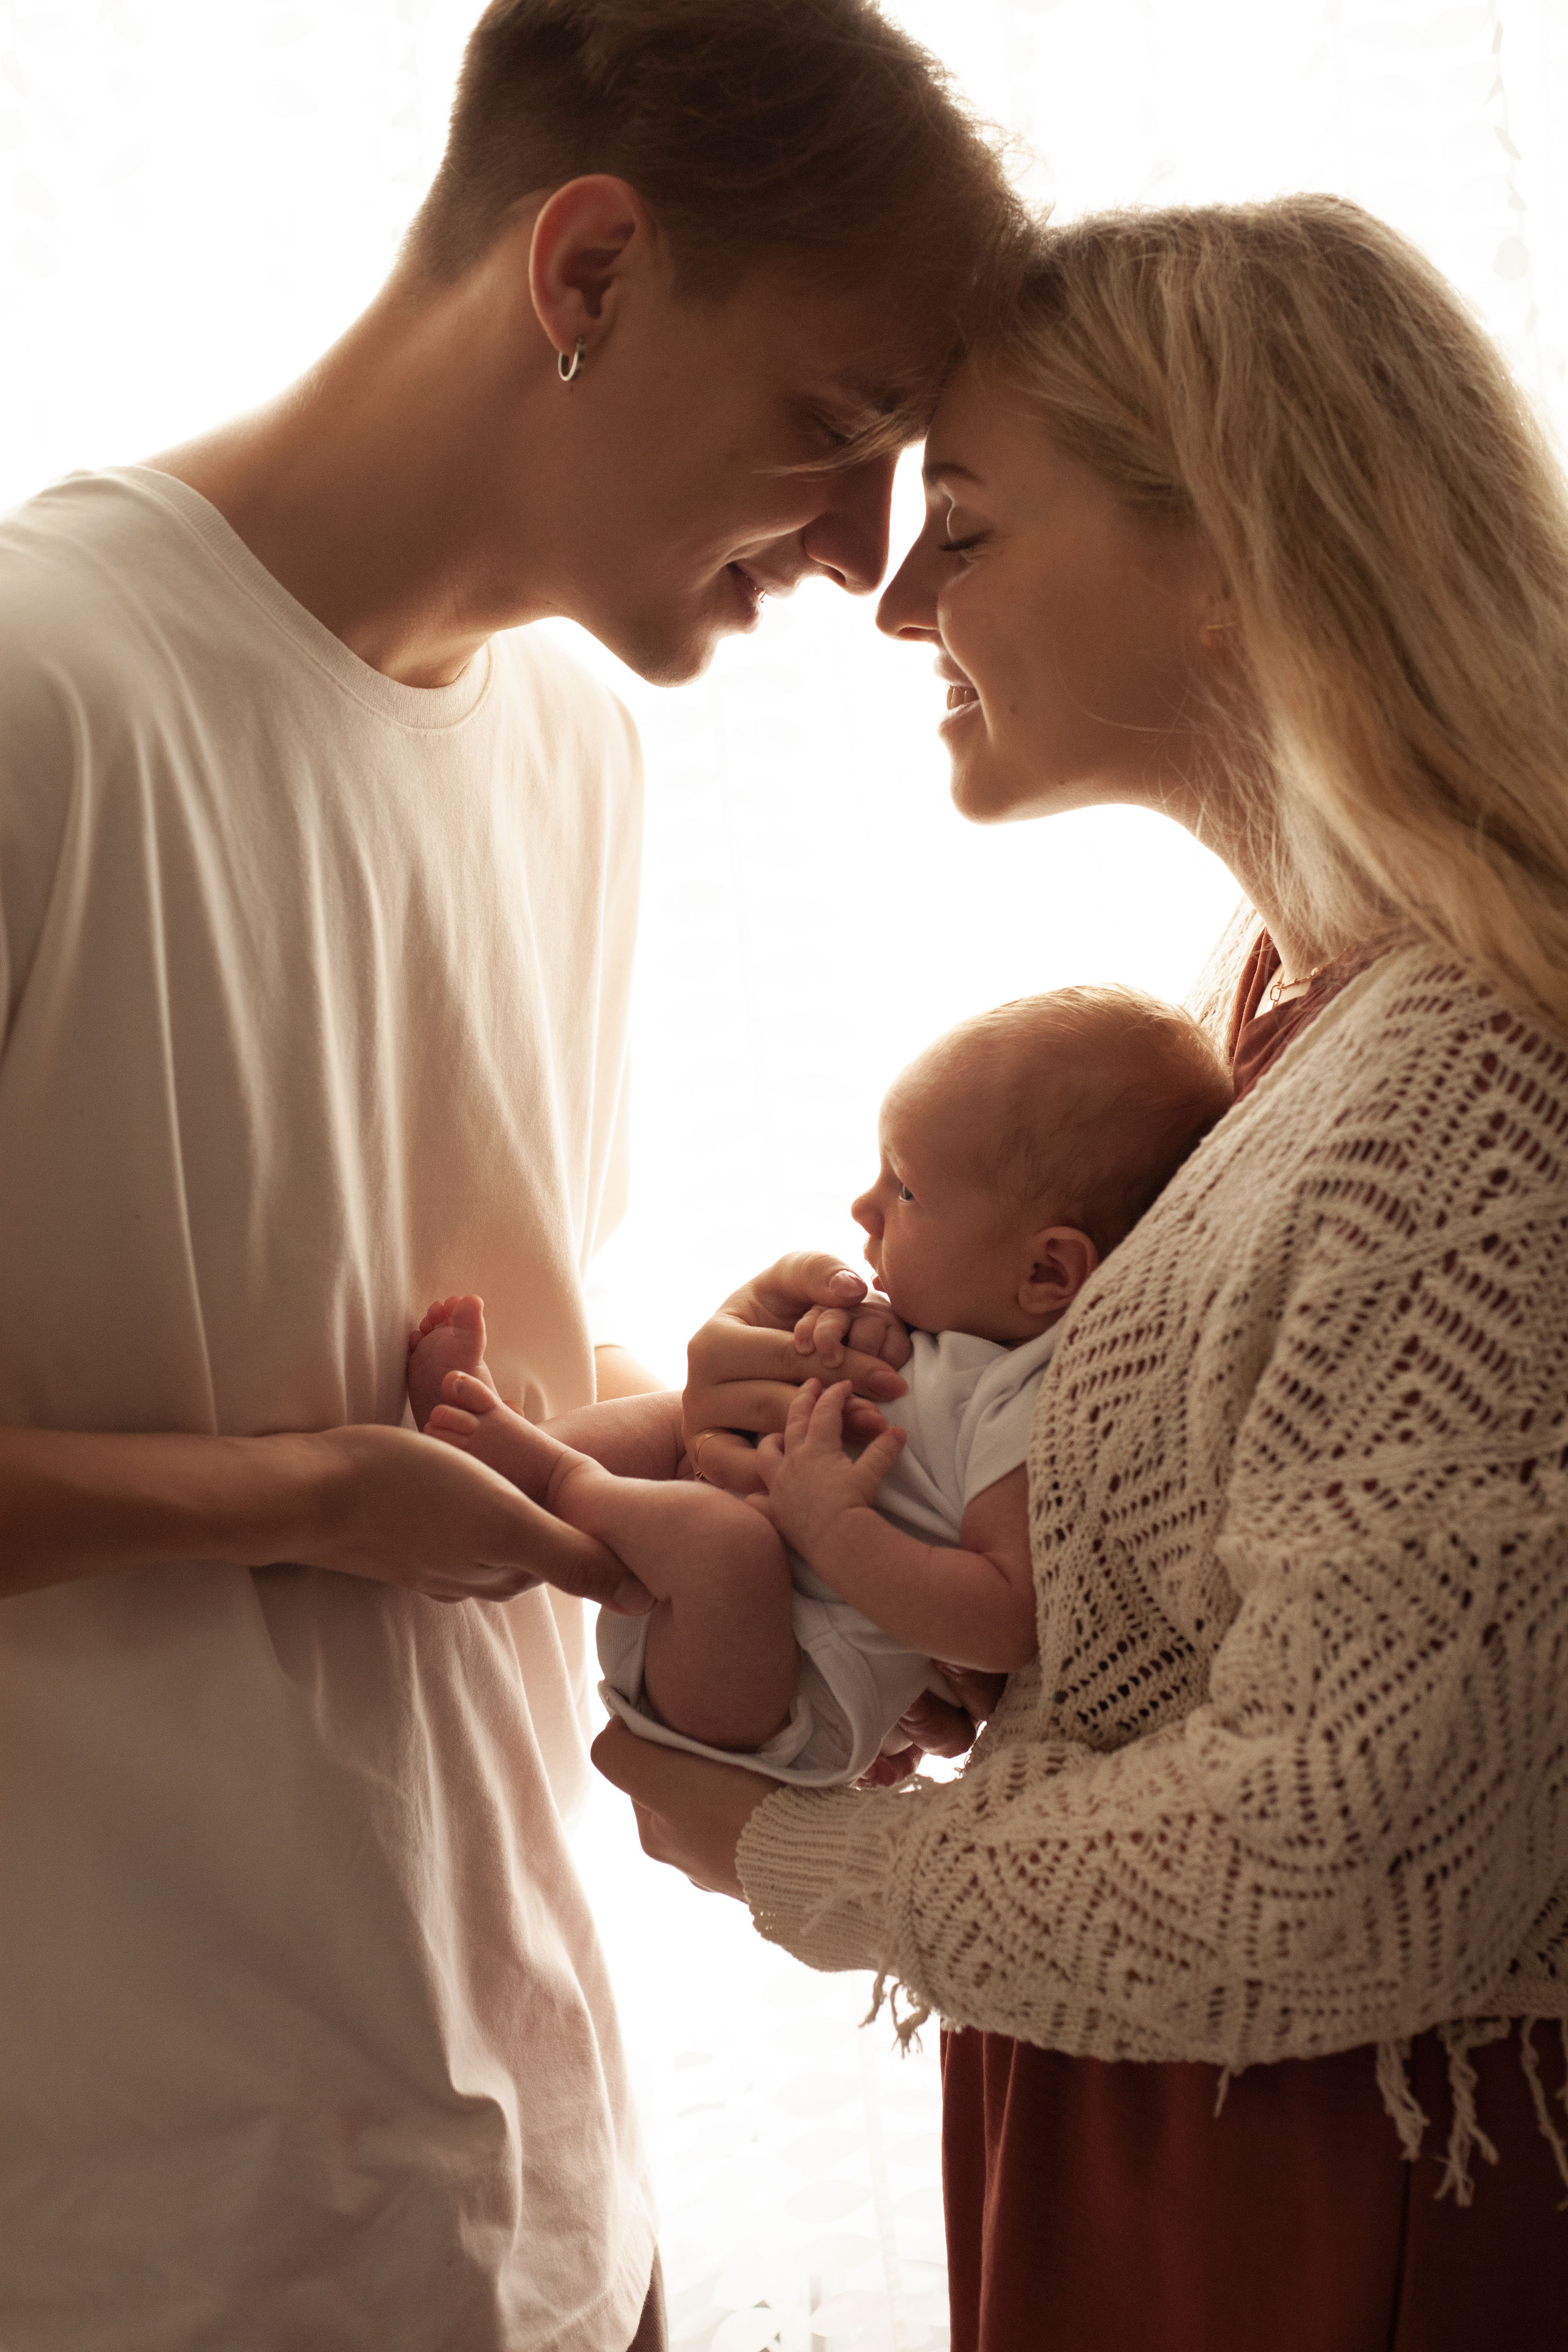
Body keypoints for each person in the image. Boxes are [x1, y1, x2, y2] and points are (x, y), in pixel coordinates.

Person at [0, 4, 1024, 2345]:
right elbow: (315, 1474)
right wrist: (301, 1494)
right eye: (835, 431)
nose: (869, 562)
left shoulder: (568, 753)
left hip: (538, 2218)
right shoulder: (38, 697)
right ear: (586, 275)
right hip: (125, 2252)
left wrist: (707, 1438)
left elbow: (419, 1412)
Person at [592, 193, 1568, 2351]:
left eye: (977, 526)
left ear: (1227, 561)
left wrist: (781, 1860)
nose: (899, 599)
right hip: (1199, 2119)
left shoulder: (1468, 1092)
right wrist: (926, 1484)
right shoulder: (1289, 1010)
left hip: (1343, 2189)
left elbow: (1351, 1863)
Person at [406, 987, 1232, 1784]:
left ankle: (552, 1476)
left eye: (905, 1189)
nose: (864, 1207)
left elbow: (1002, 1620)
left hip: (773, 1698)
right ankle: (504, 1451)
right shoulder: (933, 1335)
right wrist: (827, 1343)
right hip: (738, 1580)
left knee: (730, 1544)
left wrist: (831, 1525)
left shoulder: (1026, 1403)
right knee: (677, 1421)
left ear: (1048, 1269)